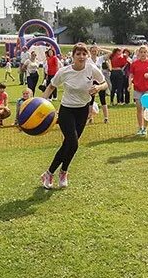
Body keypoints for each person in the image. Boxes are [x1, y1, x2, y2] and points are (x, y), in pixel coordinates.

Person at [41, 43, 107, 189]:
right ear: (73, 56)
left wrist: (98, 87)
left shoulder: (91, 69)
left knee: (68, 144)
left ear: (87, 56)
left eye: (84, 54)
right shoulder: (64, 71)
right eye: (78, 54)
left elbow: (104, 83)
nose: (81, 57)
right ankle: (55, 173)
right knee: (73, 143)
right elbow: (51, 86)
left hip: (83, 111)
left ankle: (54, 173)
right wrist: (41, 101)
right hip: (66, 111)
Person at [128, 44, 148, 136]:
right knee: (139, 108)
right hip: (137, 88)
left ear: (147, 53)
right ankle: (140, 127)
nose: (143, 54)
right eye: (141, 52)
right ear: (138, 53)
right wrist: (129, 85)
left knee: (147, 109)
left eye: (145, 52)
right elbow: (131, 75)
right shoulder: (134, 64)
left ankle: (145, 128)